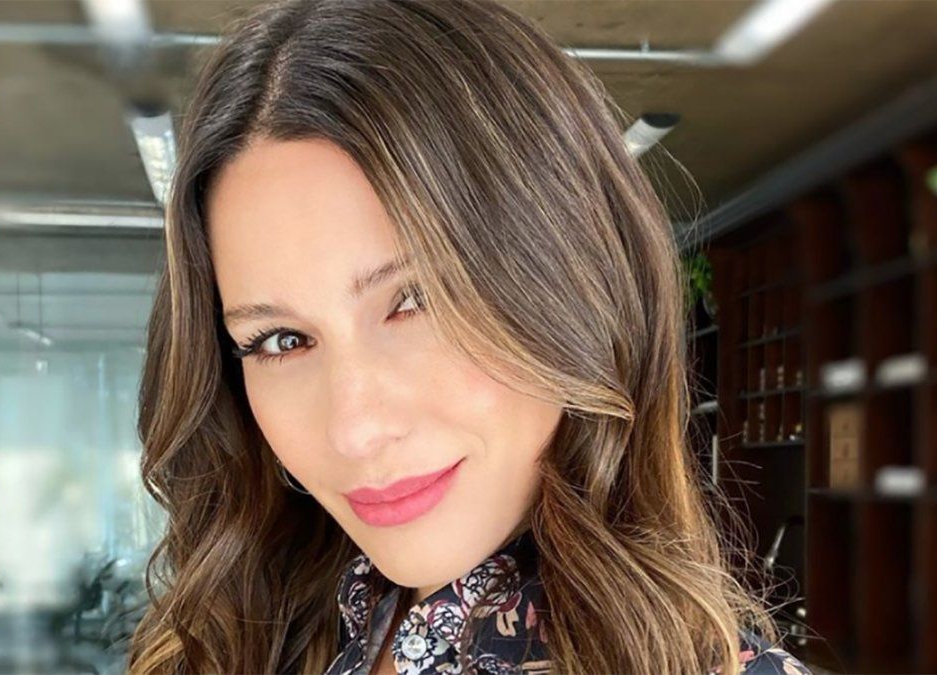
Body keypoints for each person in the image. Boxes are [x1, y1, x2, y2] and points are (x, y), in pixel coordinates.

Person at [127, 0, 813, 673]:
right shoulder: (231, 641)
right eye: (280, 339)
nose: (355, 430)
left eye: (418, 299)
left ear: (575, 287)